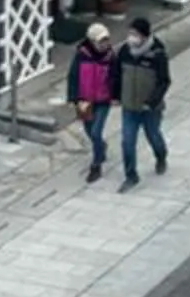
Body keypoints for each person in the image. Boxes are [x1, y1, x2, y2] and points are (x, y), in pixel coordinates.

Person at [115, 15, 171, 189]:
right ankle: (131, 175)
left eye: (135, 34)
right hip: (129, 107)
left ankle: (161, 156)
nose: (131, 38)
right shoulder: (124, 52)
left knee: (153, 136)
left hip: (149, 109)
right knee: (127, 141)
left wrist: (152, 102)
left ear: (145, 36)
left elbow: (164, 81)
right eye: (130, 33)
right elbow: (116, 76)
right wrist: (116, 96)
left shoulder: (157, 55)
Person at [66, 21, 119, 182]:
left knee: (96, 131)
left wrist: (116, 96)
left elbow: (116, 78)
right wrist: (74, 99)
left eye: (106, 40)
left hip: (103, 100)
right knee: (89, 131)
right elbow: (73, 77)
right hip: (85, 100)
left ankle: (96, 165)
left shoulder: (111, 57)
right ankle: (101, 147)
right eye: (100, 41)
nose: (104, 44)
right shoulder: (81, 55)